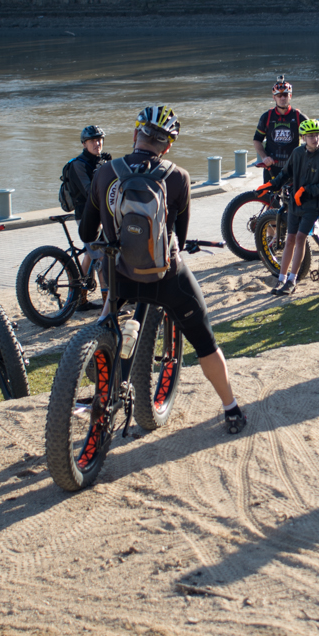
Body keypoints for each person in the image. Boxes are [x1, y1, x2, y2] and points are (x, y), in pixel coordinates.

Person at [86, 106, 247, 434]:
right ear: (168, 146)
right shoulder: (178, 177)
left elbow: (87, 232)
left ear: (136, 134)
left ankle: (98, 371)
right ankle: (231, 409)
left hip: (121, 277)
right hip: (167, 278)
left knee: (107, 320)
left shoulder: (104, 173)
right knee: (204, 341)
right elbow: (180, 237)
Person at [267, 118, 319, 296]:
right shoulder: (297, 153)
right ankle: (281, 278)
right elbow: (285, 173)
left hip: (312, 205)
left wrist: (307, 190)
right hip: (295, 204)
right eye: (310, 136)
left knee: (300, 238)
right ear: (303, 138)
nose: (315, 139)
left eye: (317, 135)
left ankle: (292, 280)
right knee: (289, 239)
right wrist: (271, 184)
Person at [253, 76, 319, 182]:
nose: (282, 98)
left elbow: (316, 133)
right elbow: (257, 140)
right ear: (274, 98)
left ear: (290, 96)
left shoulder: (297, 116)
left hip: (294, 167)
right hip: (272, 168)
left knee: (299, 193)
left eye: (285, 95)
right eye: (279, 95)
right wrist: (264, 157)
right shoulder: (267, 117)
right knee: (269, 193)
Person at [64, 124, 112, 310]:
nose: (97, 143)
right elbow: (89, 191)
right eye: (92, 140)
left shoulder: (100, 161)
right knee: (101, 257)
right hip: (86, 216)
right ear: (84, 144)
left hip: (101, 215)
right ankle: (108, 305)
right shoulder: (78, 165)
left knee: (90, 255)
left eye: (99, 140)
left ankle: (79, 299)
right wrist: (100, 171)